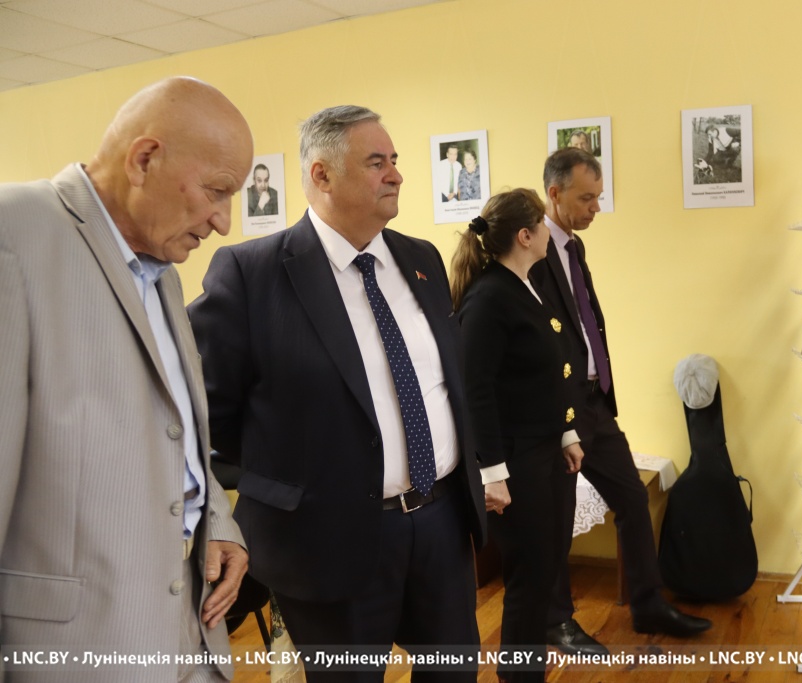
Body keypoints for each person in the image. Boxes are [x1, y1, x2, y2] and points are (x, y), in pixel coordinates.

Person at [188, 105, 486, 682]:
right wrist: (295, 480)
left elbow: (446, 383)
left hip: (440, 522)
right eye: (376, 163)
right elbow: (207, 412)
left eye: (394, 160)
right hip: (329, 540)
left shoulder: (420, 258)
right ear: (321, 175)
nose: (396, 175)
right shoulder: (253, 274)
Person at [0, 76, 252, 683]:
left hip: (190, 632)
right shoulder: (14, 236)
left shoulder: (163, 268)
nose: (223, 222)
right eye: (217, 191)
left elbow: (175, 427)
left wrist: (217, 521)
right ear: (144, 160)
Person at [529, 148, 713, 656]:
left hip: (594, 402)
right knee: (558, 516)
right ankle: (556, 621)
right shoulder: (532, 249)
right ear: (554, 193)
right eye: (586, 198)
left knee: (631, 497)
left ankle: (648, 604)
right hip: (558, 410)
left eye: (598, 197)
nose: (596, 208)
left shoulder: (574, 247)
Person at [450, 189, 583, 682]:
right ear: (525, 236)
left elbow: (544, 373)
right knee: (530, 577)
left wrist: (566, 432)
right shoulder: (489, 297)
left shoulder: (525, 285)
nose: (549, 231)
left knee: (545, 569)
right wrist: (491, 473)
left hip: (544, 451)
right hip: (515, 462)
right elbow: (476, 392)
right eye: (543, 224)